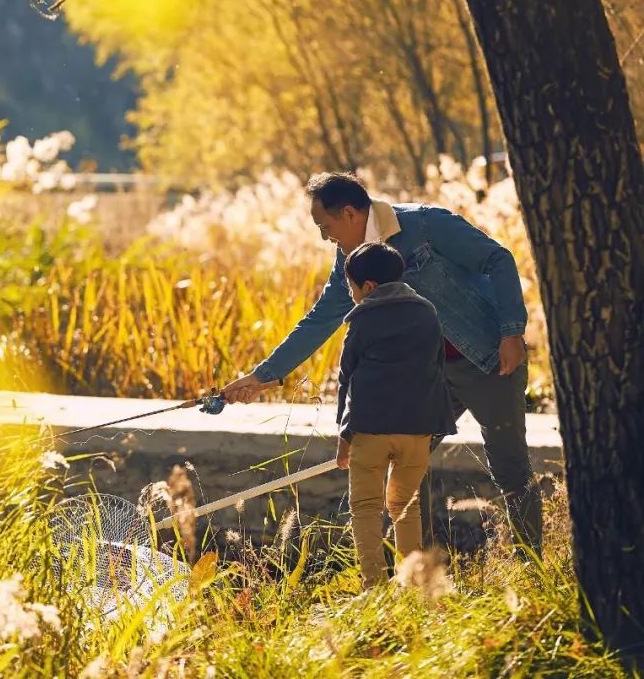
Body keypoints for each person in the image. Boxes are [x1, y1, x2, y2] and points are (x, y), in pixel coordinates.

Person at [222, 172, 542, 554]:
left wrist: (511, 331)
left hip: (488, 357)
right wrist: (263, 376)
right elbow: (320, 320)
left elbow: (497, 258)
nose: (326, 238)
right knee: (404, 464)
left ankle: (530, 563)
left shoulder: (425, 224)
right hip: (426, 375)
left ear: (351, 213)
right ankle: (415, 571)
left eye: (326, 228)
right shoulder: (351, 263)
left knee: (510, 469)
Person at [333, 241, 456, 589]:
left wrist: (343, 437)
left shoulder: (360, 320)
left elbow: (347, 379)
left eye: (351, 287)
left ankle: (374, 587)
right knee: (405, 505)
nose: (352, 295)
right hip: (417, 428)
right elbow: (437, 368)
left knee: (367, 507)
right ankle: (415, 588)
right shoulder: (428, 312)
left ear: (368, 287)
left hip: (369, 429)